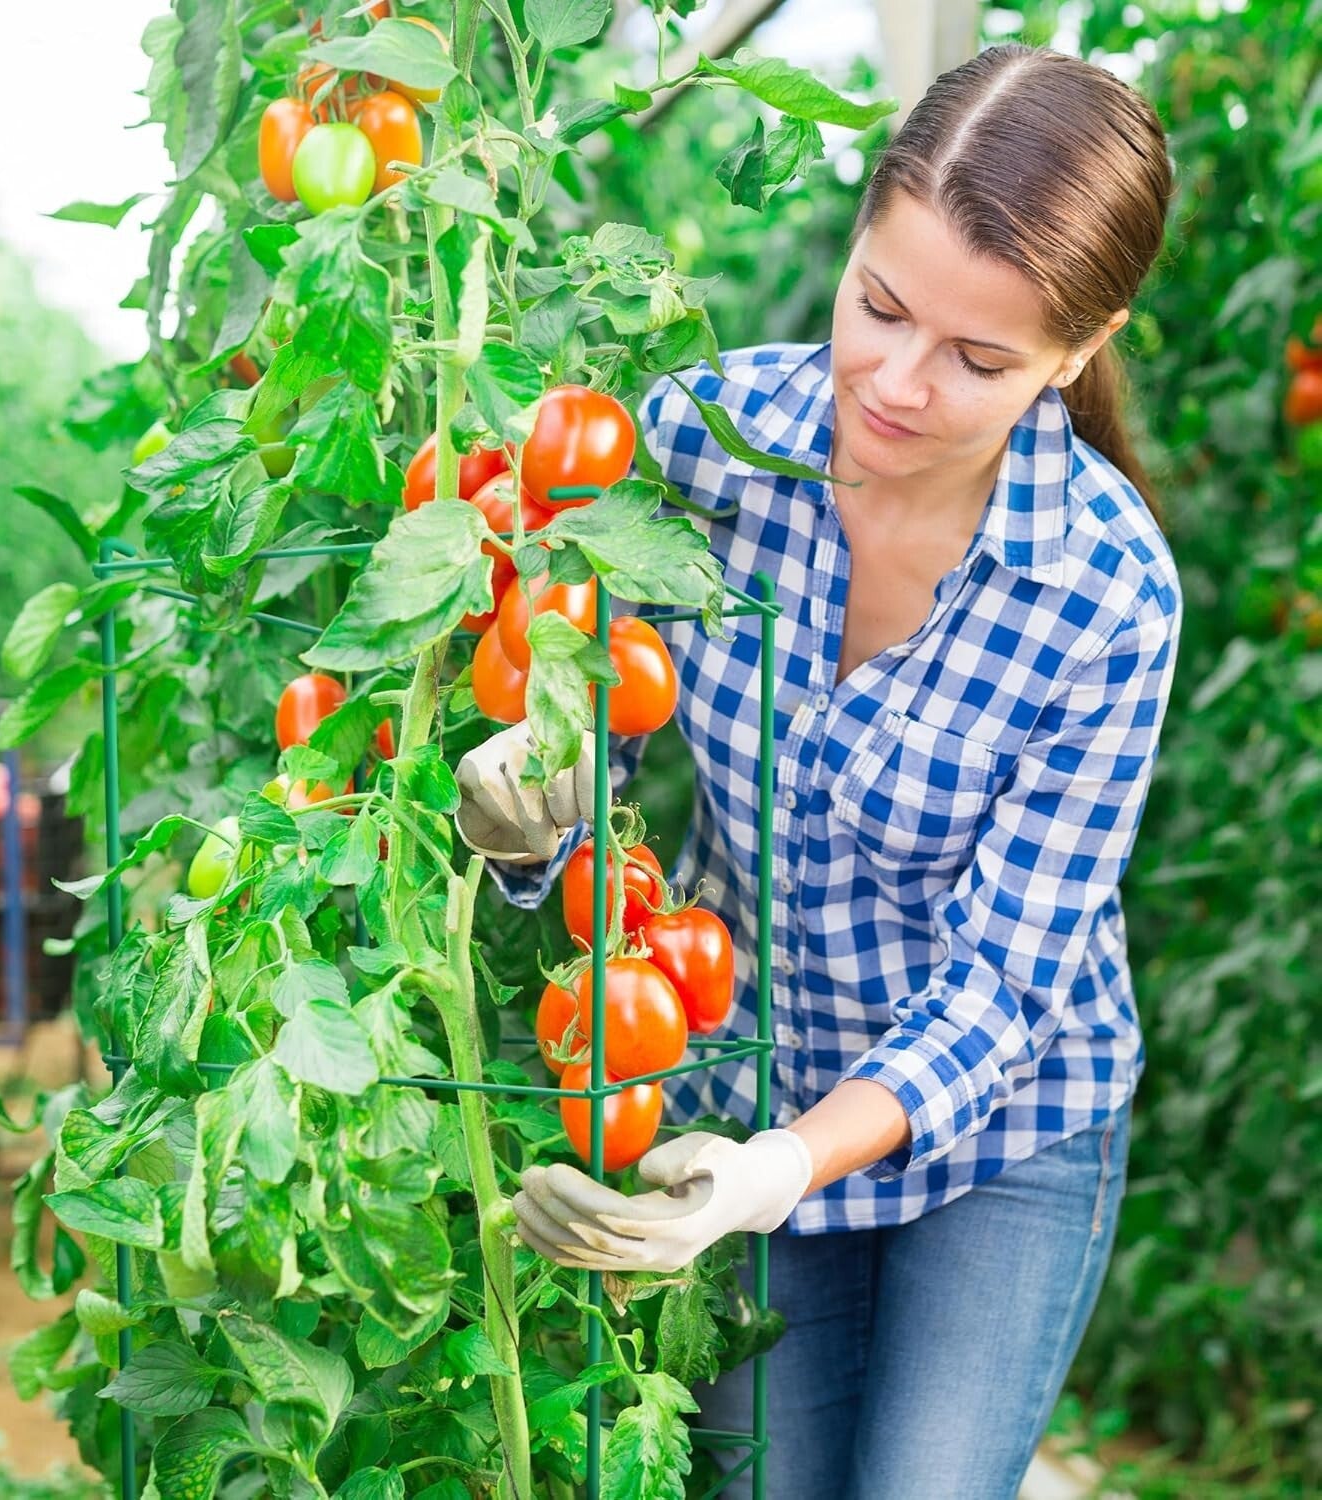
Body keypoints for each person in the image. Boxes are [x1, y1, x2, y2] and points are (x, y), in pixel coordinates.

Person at [454, 43, 1181, 1500]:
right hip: (754, 1064)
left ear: (1078, 348)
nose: (899, 386)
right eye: (881, 308)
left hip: (1006, 1136)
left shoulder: (1106, 595)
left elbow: (1004, 987)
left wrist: (779, 1166)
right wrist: (527, 821)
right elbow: (606, 740)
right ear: (856, 239)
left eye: (979, 360)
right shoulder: (706, 449)